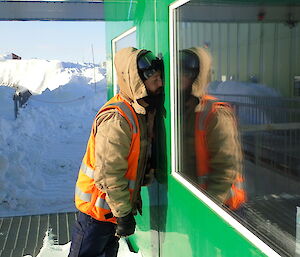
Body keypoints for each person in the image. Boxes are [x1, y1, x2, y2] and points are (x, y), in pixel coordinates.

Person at [68, 47, 164, 257]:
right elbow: (108, 173)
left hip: (110, 212)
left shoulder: (139, 110)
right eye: (154, 80)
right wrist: (123, 214)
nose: (160, 84)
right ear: (136, 82)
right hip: (96, 214)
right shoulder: (117, 119)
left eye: (160, 78)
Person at [179, 47, 246, 211]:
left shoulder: (215, 114)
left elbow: (226, 169)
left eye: (187, 72)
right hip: (190, 199)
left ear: (197, 76)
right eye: (178, 70)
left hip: (220, 208)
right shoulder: (178, 109)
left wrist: (209, 210)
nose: (180, 76)